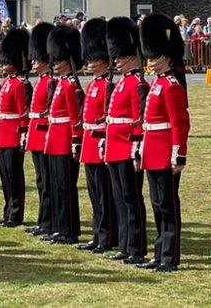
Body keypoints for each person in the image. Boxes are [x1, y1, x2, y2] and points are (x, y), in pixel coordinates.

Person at [138, 13, 191, 272]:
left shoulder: (171, 85)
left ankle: (170, 256)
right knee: (157, 205)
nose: (151, 61)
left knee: (168, 206)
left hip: (165, 153)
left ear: (166, 57)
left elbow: (180, 122)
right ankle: (159, 253)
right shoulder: (157, 83)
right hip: (152, 150)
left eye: (155, 56)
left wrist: (178, 155)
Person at [103, 16, 149, 265]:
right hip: (114, 147)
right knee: (120, 200)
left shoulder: (137, 83)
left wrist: (136, 148)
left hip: (127, 148)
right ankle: (124, 244)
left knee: (132, 200)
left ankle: (136, 247)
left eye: (119, 57)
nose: (116, 61)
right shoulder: (121, 83)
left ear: (131, 56)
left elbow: (139, 119)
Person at [77, 18, 117, 254]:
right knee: (94, 194)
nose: (89, 63)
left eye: (93, 60)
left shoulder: (107, 85)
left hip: (101, 142)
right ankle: (97, 234)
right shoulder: (93, 84)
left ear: (103, 60)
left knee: (104, 194)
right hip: (89, 143)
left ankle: (107, 235)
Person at [43, 26, 83, 245]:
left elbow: (75, 118)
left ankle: (69, 230)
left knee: (66, 188)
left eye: (58, 60)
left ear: (67, 60)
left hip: (66, 142)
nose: (54, 64)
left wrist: (76, 143)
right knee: (57, 187)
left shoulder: (70, 85)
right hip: (56, 141)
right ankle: (60, 227)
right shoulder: (61, 83)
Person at [0, 28, 29, 229]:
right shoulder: (7, 83)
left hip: (14, 134)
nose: (3, 64)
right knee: (5, 176)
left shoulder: (20, 84)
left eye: (6, 61)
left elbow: (22, 113)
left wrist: (23, 135)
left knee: (14, 176)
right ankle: (7, 211)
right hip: (4, 133)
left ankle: (16, 213)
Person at [24, 22, 55, 238]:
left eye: (36, 58)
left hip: (45, 135)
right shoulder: (42, 80)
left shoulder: (51, 81)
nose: (33, 62)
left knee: (48, 181)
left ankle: (49, 221)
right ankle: (43, 220)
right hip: (37, 134)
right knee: (41, 180)